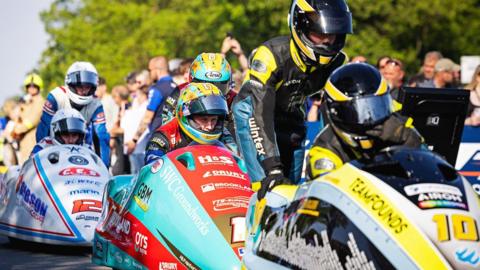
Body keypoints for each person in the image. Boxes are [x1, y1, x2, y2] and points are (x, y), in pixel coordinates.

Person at [233, 0, 353, 191]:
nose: (327, 41)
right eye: (319, 34)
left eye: (332, 35)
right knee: (266, 185)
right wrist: (272, 168)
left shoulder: (338, 62)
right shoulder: (271, 55)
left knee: (292, 189)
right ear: (300, 27)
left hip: (291, 118)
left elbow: (341, 113)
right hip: (254, 116)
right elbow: (260, 112)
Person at [305, 63, 424, 181]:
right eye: (358, 111)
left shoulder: (396, 126)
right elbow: (328, 188)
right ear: (336, 112)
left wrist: (406, 136)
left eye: (376, 107)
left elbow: (425, 160)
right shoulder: (326, 148)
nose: (370, 119)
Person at [36, 61, 110, 167]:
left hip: (78, 145)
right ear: (70, 83)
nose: (83, 91)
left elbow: (101, 136)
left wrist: (104, 167)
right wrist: (44, 158)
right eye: (80, 86)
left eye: (87, 86)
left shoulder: (96, 104)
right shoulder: (56, 96)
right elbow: (44, 129)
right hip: (55, 146)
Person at [145, 82, 237, 164]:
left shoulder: (222, 132)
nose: (209, 126)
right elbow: (153, 168)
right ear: (187, 115)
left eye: (214, 120)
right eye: (204, 119)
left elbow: (237, 160)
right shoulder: (165, 135)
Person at [161, 53, 234, 129]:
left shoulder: (233, 98)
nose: (212, 90)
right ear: (191, 79)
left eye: (220, 86)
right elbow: (167, 126)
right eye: (204, 84)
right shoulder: (179, 92)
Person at [125, 56, 177, 154]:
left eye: (150, 70)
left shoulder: (156, 89)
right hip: (175, 138)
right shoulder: (177, 87)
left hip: (158, 140)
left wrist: (134, 140)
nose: (149, 73)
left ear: (157, 70)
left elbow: (147, 117)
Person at [12, 73, 45, 163]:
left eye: (34, 86)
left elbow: (32, 121)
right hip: (23, 141)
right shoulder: (25, 102)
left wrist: (17, 130)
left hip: (33, 141)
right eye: (29, 86)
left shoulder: (40, 102)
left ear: (39, 87)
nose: (31, 88)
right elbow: (15, 117)